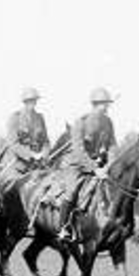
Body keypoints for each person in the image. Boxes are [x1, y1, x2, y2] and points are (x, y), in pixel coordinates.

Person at [54, 87, 117, 241]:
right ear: (95, 104)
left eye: (107, 104)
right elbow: (79, 152)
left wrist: (109, 165)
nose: (106, 107)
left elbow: (113, 146)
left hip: (100, 165)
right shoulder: (80, 123)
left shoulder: (108, 122)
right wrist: (95, 169)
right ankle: (64, 227)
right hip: (76, 165)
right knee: (72, 191)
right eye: (104, 104)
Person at [3, 87, 51, 186]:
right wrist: (31, 155)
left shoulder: (40, 118)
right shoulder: (15, 118)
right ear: (24, 102)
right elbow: (13, 143)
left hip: (38, 165)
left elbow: (46, 141)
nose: (32, 103)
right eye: (29, 101)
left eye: (34, 101)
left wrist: (44, 153)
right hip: (19, 166)